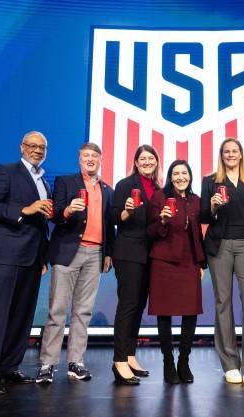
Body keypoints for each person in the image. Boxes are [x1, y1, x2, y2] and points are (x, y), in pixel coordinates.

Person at [0, 131, 51, 395]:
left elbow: (42, 224)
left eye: (42, 147)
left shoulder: (44, 181)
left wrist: (43, 257)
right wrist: (22, 210)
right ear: (22, 147)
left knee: (22, 316)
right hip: (7, 254)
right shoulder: (5, 171)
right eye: (32, 146)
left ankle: (9, 368)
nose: (38, 150)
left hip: (32, 258)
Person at [35, 142, 115, 383]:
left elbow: (109, 225)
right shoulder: (65, 182)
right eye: (85, 156)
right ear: (79, 160)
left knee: (83, 311)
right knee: (58, 310)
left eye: (94, 156)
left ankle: (75, 362)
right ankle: (47, 364)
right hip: (68, 251)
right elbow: (54, 216)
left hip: (95, 254)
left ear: (100, 160)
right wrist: (68, 210)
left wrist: (108, 252)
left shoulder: (107, 190)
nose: (90, 159)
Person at [201, 137, 244, 385]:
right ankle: (229, 363)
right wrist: (213, 208)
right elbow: (202, 216)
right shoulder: (210, 181)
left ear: (241, 153)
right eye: (226, 151)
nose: (231, 154)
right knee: (222, 302)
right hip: (220, 246)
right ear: (221, 155)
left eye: (235, 151)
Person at [147, 160, 206, 384]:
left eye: (184, 173)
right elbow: (150, 231)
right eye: (176, 173)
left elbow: (199, 236)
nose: (181, 177)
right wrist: (162, 221)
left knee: (190, 313)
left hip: (190, 262)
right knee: (165, 313)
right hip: (164, 263)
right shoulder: (159, 198)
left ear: (189, 177)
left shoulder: (195, 201)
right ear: (170, 177)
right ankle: (168, 363)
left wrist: (201, 263)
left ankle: (184, 361)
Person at [111, 144, 161, 385]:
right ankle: (119, 360)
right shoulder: (124, 184)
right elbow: (113, 216)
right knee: (128, 305)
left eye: (151, 158)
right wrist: (127, 212)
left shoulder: (160, 188)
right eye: (143, 158)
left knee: (139, 306)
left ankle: (130, 355)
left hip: (150, 254)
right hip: (128, 251)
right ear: (136, 162)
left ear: (156, 162)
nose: (147, 161)